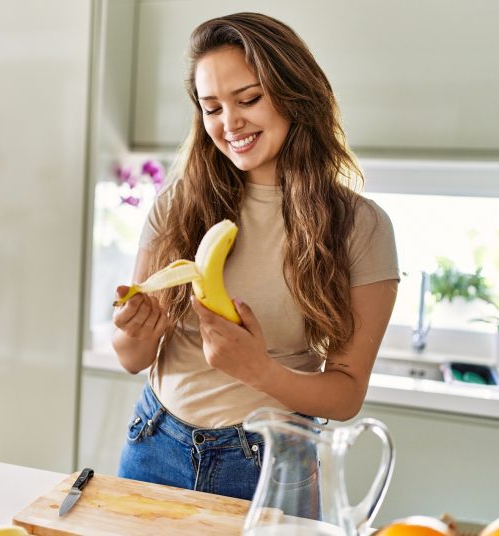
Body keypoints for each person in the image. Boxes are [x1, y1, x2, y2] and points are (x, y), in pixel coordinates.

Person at [112, 12, 399, 502]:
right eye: (212, 108)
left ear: (294, 93)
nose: (230, 123)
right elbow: (132, 359)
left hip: (268, 463)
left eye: (248, 99)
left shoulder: (359, 226)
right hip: (156, 441)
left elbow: (347, 393)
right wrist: (135, 331)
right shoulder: (179, 205)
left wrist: (258, 370)